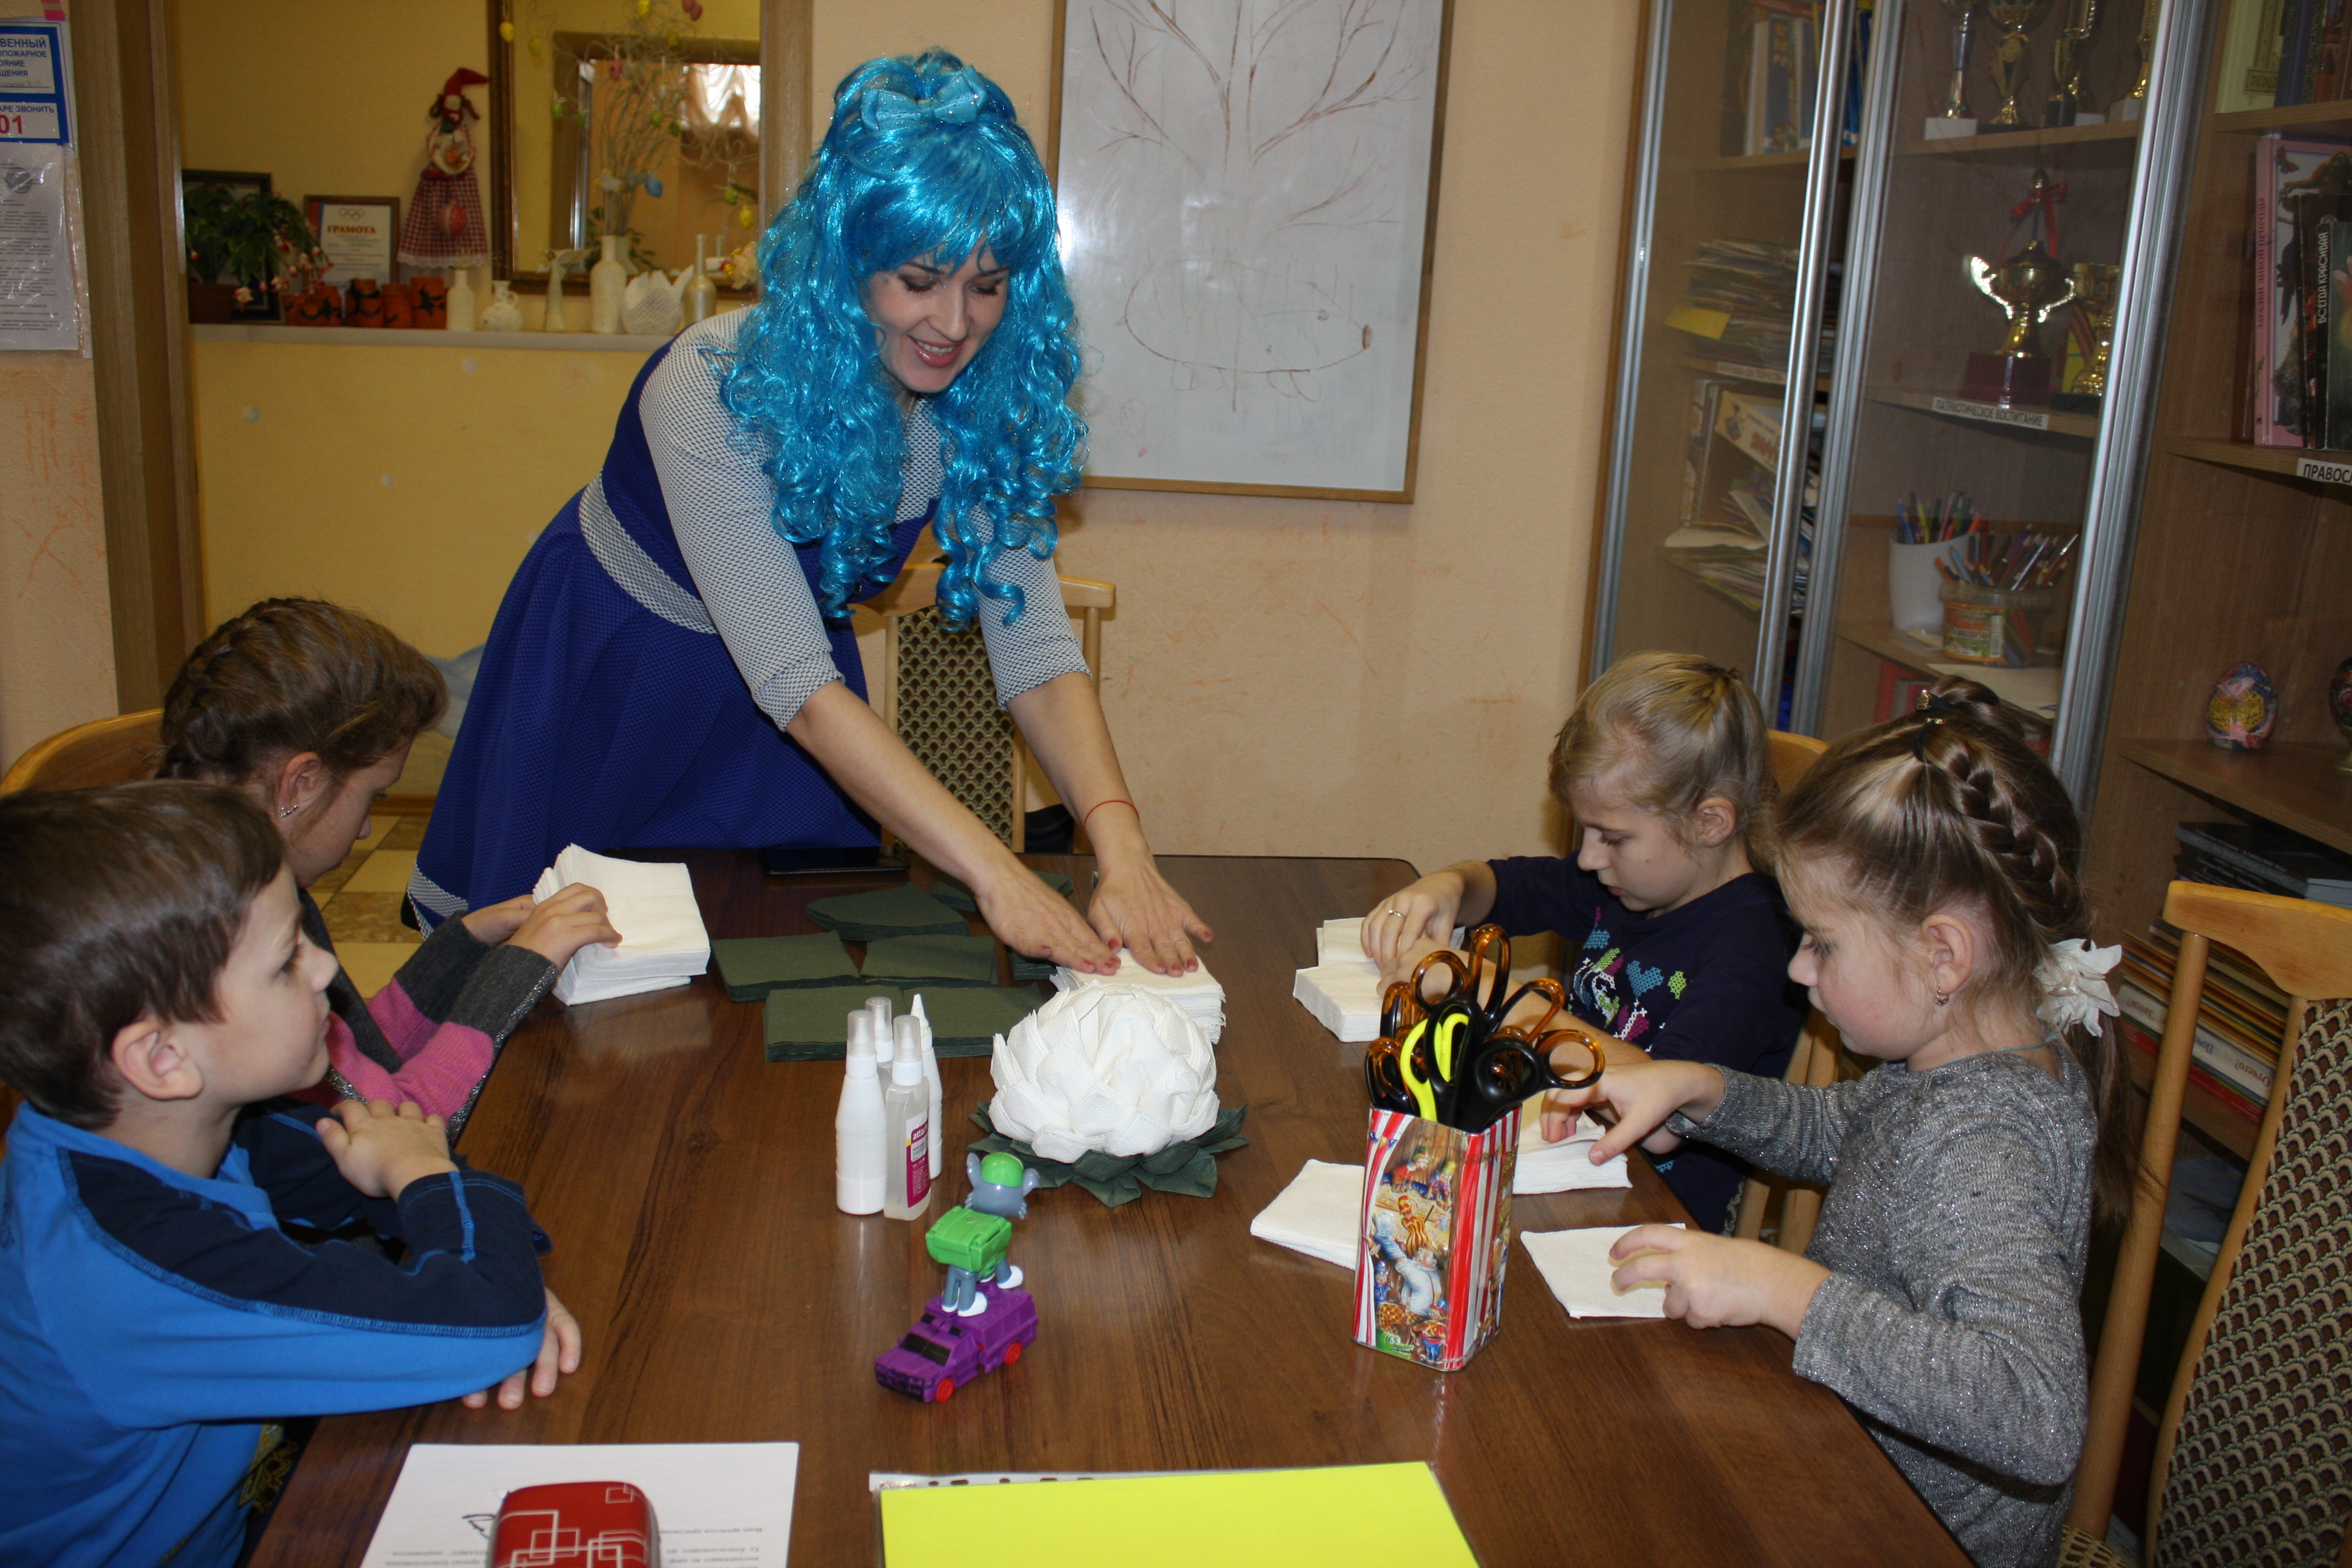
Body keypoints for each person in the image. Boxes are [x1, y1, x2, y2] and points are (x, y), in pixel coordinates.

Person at [413, 50, 1208, 976]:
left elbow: (1033, 649)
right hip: (622, 674)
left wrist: (1124, 851)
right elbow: (797, 684)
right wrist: (998, 875)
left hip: (793, 693)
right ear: (848, 262)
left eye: (987, 285)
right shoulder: (707, 387)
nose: (955, 323)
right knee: (567, 978)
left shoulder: (974, 405)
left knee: (783, 967)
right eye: (921, 279)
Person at [1549, 679, 2128, 1568]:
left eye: (1822, 941)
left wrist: (1787, 1291)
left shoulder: (1984, 1141)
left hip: (1899, 1528)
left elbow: (2035, 1414)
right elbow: (1842, 1131)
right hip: (1839, 1463)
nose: (1798, 968)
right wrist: (1702, 1089)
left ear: (1943, 955)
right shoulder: (1954, 1064)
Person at [0, 783, 578, 1568]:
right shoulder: (131, 1268)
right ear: (162, 1058)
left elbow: (390, 1161)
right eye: (284, 962)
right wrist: (461, 1231)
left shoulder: (177, 1128)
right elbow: (489, 1311)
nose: (327, 965)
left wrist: (466, 1235)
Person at [1361, 651, 1805, 1230]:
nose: (1590, 858)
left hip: (1648, 1222)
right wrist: (1448, 886)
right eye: (1585, 831)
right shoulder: (1629, 883)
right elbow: (1502, 887)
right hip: (1566, 1170)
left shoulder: (1758, 947)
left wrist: (1493, 998)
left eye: (1612, 837)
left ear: (1709, 823)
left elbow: (1661, 1108)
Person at [159, 598, 620, 1133]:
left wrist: (462, 946)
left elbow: (355, 1054)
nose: (365, 830)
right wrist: (518, 972)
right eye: (374, 796)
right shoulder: (228, 943)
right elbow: (393, 1127)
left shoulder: (225, 874)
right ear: (301, 783)